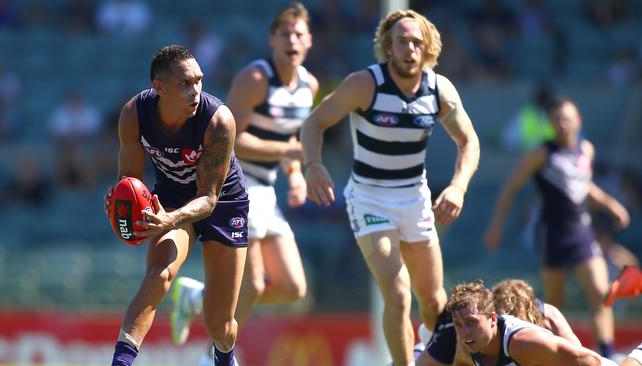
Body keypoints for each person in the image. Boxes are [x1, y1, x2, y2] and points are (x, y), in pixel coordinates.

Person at [300, 9, 480, 366]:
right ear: (388, 45)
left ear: (427, 47)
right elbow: (315, 122)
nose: (409, 49)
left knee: (432, 301)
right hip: (369, 197)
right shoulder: (365, 83)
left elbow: (469, 140)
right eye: (402, 42)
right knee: (397, 293)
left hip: (414, 196)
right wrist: (314, 165)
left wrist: (458, 186)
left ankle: (445, 358)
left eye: (416, 42)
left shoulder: (438, 89)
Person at [169, 1, 317, 359]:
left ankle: (196, 296)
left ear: (309, 40)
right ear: (272, 39)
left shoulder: (309, 86)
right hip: (237, 185)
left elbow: (292, 140)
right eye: (285, 34)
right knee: (249, 284)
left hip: (267, 189)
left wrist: (295, 175)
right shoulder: (255, 78)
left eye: (299, 34)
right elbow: (228, 137)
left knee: (294, 287)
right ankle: (214, 355)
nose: (292, 41)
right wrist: (286, 153)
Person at [105, 45, 249, 366]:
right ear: (159, 88)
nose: (196, 91)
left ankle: (223, 357)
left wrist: (170, 219)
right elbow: (128, 179)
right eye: (185, 84)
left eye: (199, 81)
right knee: (160, 274)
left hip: (224, 204)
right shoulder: (135, 114)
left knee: (220, 325)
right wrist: (118, 198)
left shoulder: (218, 121)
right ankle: (121, 362)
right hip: (170, 198)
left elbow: (210, 198)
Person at [484, 97, 631, 360]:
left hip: (582, 232)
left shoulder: (586, 150)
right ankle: (553, 357)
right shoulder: (541, 154)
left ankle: (607, 356)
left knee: (600, 294)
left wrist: (611, 206)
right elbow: (511, 187)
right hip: (553, 235)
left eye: (567, 118)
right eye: (557, 119)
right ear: (551, 123)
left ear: (578, 121)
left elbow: (584, 186)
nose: (563, 123)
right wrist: (496, 224)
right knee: (554, 305)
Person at [416, 278, 581, 366]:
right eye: (506, 317)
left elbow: (580, 355)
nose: (510, 322)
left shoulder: (548, 319)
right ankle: (420, 347)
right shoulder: (464, 332)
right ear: (493, 318)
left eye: (518, 321)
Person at [447, 280, 612, 366]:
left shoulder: (523, 344)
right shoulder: (466, 345)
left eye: (471, 322)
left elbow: (590, 361)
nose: (464, 332)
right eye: (459, 325)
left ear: (492, 318)